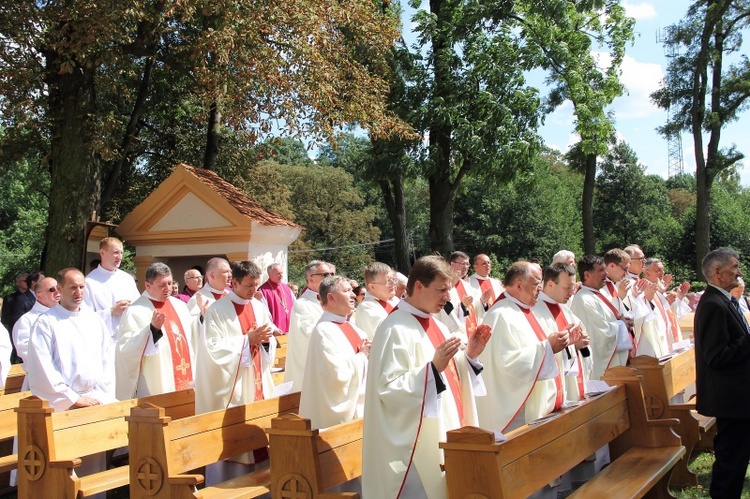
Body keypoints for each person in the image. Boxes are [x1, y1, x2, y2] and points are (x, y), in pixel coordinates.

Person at [362, 255, 490, 499]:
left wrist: (470, 356)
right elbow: (389, 390)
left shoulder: (437, 325)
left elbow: (450, 373)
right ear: (419, 286)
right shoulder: (394, 329)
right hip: (417, 444)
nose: (447, 297)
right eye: (441, 290)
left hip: (446, 427)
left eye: (449, 290)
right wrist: (432, 369)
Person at [195, 260, 276, 483]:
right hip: (236, 387)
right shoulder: (218, 310)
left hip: (256, 380)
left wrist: (266, 342)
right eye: (249, 285)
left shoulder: (258, 307)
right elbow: (212, 349)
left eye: (256, 285)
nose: (254, 291)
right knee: (235, 445)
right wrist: (245, 341)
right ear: (235, 283)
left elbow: (269, 340)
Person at [476, 262, 570, 434]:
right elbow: (507, 364)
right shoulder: (500, 315)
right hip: (517, 411)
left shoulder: (524, 310)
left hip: (538, 404)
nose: (540, 289)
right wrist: (548, 347)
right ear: (519, 285)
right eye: (535, 284)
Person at [694, 247, 750, 498]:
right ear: (717, 272)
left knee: (735, 460)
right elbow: (716, 357)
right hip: (732, 400)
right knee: (731, 463)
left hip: (739, 397)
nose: (739, 272)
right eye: (734, 267)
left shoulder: (724, 300)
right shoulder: (713, 305)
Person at [26, 268, 116, 411]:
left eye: (81, 287)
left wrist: (101, 394)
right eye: (73, 287)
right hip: (62, 403)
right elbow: (42, 366)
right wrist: (72, 398)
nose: (79, 292)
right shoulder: (46, 323)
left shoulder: (94, 320)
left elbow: (107, 359)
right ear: (60, 289)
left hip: (96, 397)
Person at [116, 263, 196, 400]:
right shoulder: (136, 311)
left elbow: (193, 337)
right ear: (148, 286)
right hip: (157, 380)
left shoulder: (180, 306)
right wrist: (152, 330)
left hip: (186, 373)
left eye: (170, 283)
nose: (168, 289)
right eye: (162, 285)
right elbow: (125, 348)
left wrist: (201, 319)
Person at [300, 276, 370, 429]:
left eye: (352, 290)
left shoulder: (354, 328)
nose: (353, 295)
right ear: (331, 298)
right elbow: (337, 375)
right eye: (346, 291)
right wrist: (363, 358)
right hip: (335, 418)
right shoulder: (324, 331)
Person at [570, 255, 632, 380]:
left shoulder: (596, 294)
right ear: (587, 275)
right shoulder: (584, 300)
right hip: (602, 371)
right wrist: (622, 325)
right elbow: (600, 336)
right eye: (601, 270)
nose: (606, 273)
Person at [284, 260, 333, 391]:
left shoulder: (333, 300)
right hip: (310, 367)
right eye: (325, 274)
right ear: (310, 279)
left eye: (332, 274)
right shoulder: (303, 304)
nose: (330, 278)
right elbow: (310, 334)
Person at [84, 237, 140, 340]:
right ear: (102, 253)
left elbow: (139, 306)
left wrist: (131, 307)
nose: (119, 257)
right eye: (115, 252)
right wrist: (111, 311)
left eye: (121, 253)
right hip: (104, 341)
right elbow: (85, 318)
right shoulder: (89, 282)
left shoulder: (127, 279)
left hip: (127, 339)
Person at [12, 276, 60, 365]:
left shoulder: (64, 316)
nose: (57, 292)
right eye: (52, 289)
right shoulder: (26, 320)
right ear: (38, 295)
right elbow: (24, 350)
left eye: (59, 289)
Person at [352, 262, 399, 340]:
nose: (393, 284)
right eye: (388, 281)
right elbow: (386, 333)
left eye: (394, 279)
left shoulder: (394, 300)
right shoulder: (367, 307)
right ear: (372, 287)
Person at [2, 272, 36, 362]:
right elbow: (5, 319)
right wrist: (21, 319)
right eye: (25, 281)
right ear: (18, 282)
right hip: (15, 336)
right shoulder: (10, 298)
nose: (27, 283)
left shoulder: (36, 298)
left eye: (29, 281)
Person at [258, 263, 296, 333]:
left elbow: (295, 306)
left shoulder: (287, 288)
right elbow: (264, 314)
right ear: (270, 274)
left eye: (282, 273)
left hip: (291, 331)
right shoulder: (263, 291)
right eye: (278, 274)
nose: (281, 276)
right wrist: (274, 329)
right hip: (276, 332)